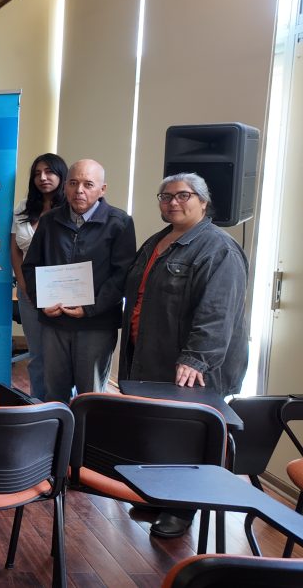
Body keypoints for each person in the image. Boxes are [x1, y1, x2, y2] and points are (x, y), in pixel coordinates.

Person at [120, 173, 249, 538]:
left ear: (204, 202)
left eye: (183, 195)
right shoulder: (159, 241)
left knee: (186, 436)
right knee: (159, 431)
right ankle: (161, 497)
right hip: (150, 354)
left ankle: (181, 510)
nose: (172, 202)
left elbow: (218, 311)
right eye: (165, 196)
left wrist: (195, 358)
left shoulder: (217, 248)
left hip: (191, 365)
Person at [22, 159, 136, 403]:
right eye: (73, 183)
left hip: (95, 323)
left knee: (90, 394)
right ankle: (56, 439)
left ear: (102, 189)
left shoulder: (120, 223)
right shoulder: (50, 221)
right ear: (65, 187)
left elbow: (122, 274)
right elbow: (30, 266)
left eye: (88, 184)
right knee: (54, 392)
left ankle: (87, 441)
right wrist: (42, 302)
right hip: (55, 321)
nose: (79, 190)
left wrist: (90, 308)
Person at [9, 153, 68, 400]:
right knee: (37, 355)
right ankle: (38, 408)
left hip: (62, 293)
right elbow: (14, 249)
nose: (43, 178)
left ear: (62, 175)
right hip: (28, 291)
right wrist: (25, 288)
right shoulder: (23, 207)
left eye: (49, 172)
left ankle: (62, 408)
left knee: (60, 355)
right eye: (37, 173)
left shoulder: (70, 208)